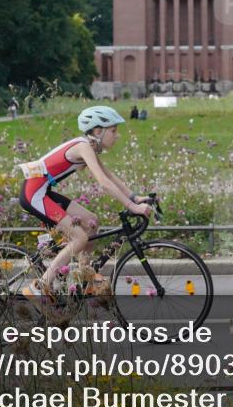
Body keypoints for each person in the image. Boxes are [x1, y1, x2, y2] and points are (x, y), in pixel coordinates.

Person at [17, 106, 154, 311]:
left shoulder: (87, 146)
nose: (117, 135)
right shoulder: (83, 147)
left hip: (41, 191)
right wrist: (132, 206)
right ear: (98, 132)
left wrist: (134, 196)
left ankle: (85, 276)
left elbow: (108, 175)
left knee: (92, 221)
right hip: (34, 194)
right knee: (80, 238)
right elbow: (103, 183)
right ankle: (41, 285)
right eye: (113, 131)